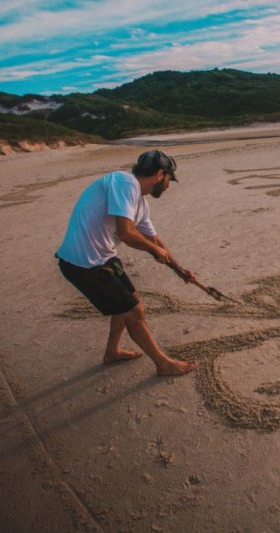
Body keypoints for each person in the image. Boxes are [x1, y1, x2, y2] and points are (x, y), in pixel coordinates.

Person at [56, 149, 199, 376]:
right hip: (83, 264)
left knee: (131, 302)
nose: (169, 186)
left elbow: (154, 239)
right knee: (133, 311)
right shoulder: (125, 183)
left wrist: (179, 270)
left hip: (102, 258)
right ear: (161, 174)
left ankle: (112, 351)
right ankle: (163, 364)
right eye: (170, 179)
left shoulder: (140, 203)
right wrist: (154, 249)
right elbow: (126, 232)